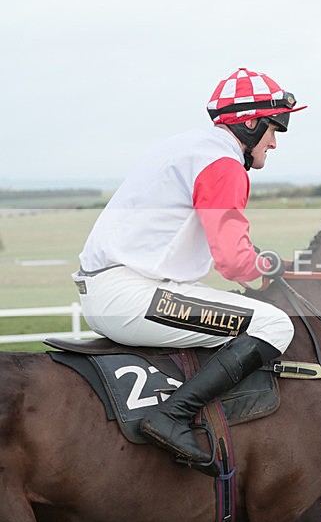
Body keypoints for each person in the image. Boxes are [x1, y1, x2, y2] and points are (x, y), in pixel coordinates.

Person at [73, 68, 305, 464]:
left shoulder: (188, 147)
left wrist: (260, 260)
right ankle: (172, 416)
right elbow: (232, 261)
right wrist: (266, 268)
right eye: (275, 126)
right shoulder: (224, 163)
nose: (275, 141)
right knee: (275, 324)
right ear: (249, 123)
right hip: (132, 295)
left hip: (123, 287)